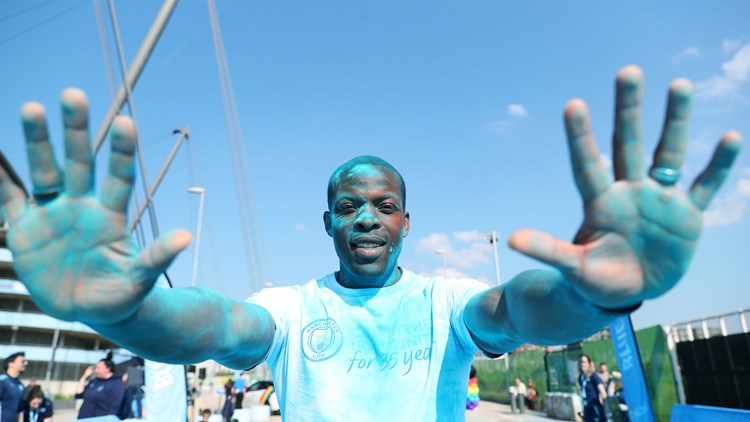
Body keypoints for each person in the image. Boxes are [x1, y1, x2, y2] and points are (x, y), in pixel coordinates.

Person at [0, 66, 742, 421]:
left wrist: (595, 294)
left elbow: (518, 312)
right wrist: (124, 318)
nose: (365, 217)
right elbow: (216, 325)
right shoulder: (289, 309)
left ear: (405, 224)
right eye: (347, 205)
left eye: (384, 205)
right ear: (326, 223)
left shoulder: (445, 301)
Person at [75, 354, 126, 419]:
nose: (96, 370)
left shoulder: (116, 384)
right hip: (84, 419)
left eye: (98, 368)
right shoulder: (94, 381)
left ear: (108, 368)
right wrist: (85, 376)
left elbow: (115, 408)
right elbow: (78, 394)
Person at [579, 354, 607, 422]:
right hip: (587, 408)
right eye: (580, 362)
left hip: (595, 408)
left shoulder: (594, 376)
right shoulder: (581, 377)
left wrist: (601, 398)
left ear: (589, 363)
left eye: (584, 362)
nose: (582, 364)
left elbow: (603, 393)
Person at [0, 351, 27, 422]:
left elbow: (19, 410)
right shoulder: (2, 381)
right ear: (11, 364)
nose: (26, 363)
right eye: (22, 361)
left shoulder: (20, 385)